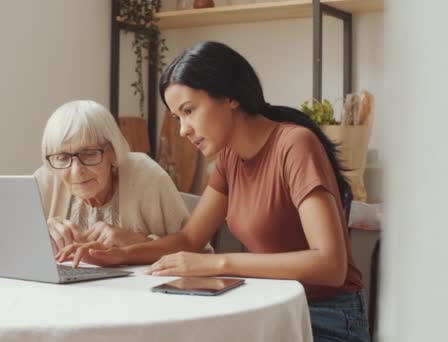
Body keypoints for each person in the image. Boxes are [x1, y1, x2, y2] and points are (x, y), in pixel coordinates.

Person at [57, 42, 370, 342]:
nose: (183, 129)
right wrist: (120, 256)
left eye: (190, 111)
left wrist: (216, 263)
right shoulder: (230, 158)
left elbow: (330, 265)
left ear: (230, 97)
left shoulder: (295, 144)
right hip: (267, 307)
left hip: (326, 317)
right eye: (178, 117)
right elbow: (189, 239)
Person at [34, 100, 190, 254]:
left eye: (89, 154)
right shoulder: (44, 180)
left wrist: (140, 243)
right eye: (63, 157)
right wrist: (38, 236)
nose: (76, 171)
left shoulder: (147, 177)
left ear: (113, 151)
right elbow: (14, 251)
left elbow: (197, 251)